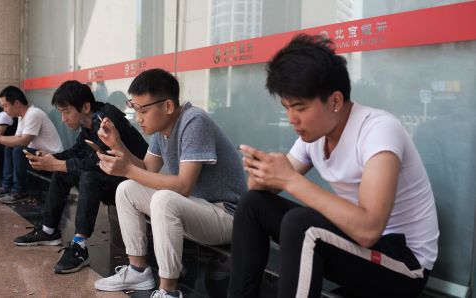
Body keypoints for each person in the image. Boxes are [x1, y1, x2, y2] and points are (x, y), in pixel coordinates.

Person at [227, 34, 439, 298]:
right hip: (358, 249)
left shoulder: (379, 130)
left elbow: (369, 230)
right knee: (252, 204)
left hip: (404, 265)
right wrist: (264, 172)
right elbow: (262, 189)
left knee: (302, 224)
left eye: (300, 107)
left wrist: (290, 180)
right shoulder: (314, 136)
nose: (292, 118)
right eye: (287, 107)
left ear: (335, 101)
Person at [93, 68, 246, 298]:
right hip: (196, 207)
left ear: (167, 106)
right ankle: (138, 271)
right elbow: (146, 169)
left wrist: (127, 169)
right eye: (135, 109)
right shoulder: (162, 129)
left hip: (227, 215)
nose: (138, 118)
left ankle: (168, 291)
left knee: (164, 199)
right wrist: (117, 145)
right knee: (126, 189)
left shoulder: (194, 121)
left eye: (143, 110)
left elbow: (183, 185)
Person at [13, 80, 148, 274]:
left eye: (66, 111)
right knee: (64, 172)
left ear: (85, 107)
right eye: (61, 112)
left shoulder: (106, 120)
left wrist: (58, 164)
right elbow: (78, 151)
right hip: (113, 177)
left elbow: (98, 161)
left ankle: (79, 245)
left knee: (88, 177)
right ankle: (48, 230)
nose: (63, 118)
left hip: (134, 182)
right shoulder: (88, 122)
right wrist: (52, 159)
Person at [0, 86, 63, 203]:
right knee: (9, 148)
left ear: (16, 103)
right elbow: (17, 138)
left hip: (51, 156)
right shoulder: (23, 117)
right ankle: (7, 186)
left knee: (18, 150)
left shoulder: (34, 113)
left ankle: (20, 191)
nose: (4, 110)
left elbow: (23, 141)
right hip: (38, 153)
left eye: (6, 106)